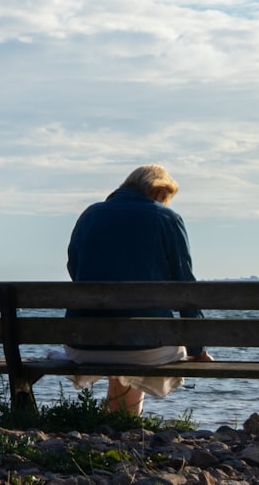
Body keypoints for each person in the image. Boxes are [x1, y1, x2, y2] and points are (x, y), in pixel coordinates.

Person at [64, 164, 214, 415]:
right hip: (145, 348)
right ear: (157, 192)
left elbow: (74, 268)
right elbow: (185, 288)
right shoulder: (167, 219)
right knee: (141, 339)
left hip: (84, 344)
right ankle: (126, 423)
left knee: (124, 335)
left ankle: (116, 423)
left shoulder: (90, 215)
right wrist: (197, 350)